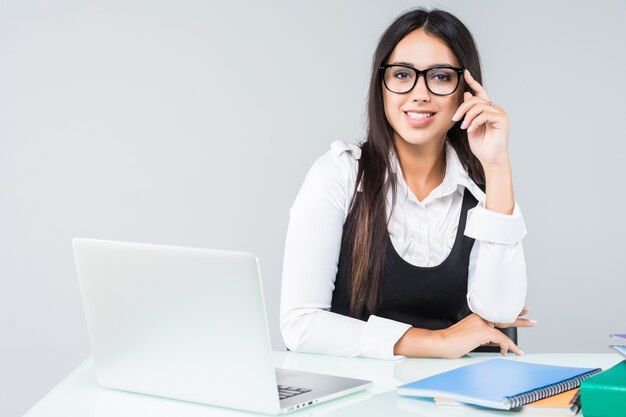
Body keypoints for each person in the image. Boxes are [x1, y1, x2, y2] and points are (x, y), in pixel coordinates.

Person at [280, 8, 536, 360]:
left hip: (454, 397)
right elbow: (301, 324)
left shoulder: (481, 190)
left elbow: (500, 312)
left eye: (441, 77)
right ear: (381, 84)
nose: (419, 93)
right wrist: (437, 342)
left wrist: (497, 167)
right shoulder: (338, 175)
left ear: (467, 90)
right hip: (357, 396)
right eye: (402, 74)